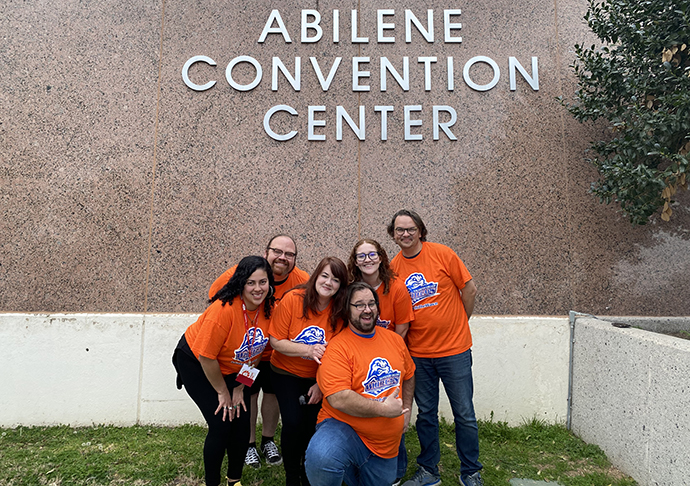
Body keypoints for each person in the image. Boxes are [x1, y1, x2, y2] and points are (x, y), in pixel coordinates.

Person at [387, 210, 483, 486]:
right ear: (393, 235)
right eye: (399, 230)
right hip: (418, 354)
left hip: (455, 351)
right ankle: (429, 471)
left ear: (421, 230)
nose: (405, 234)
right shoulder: (394, 268)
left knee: (464, 413)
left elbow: (470, 290)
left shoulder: (442, 254)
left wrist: (460, 322)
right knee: (426, 415)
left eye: (410, 228)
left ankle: (471, 471)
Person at [172, 256, 275, 486]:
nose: (258, 289)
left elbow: (257, 354)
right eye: (251, 283)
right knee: (221, 422)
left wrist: (240, 387)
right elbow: (206, 357)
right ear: (240, 283)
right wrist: (223, 392)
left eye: (263, 282)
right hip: (196, 362)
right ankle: (212, 483)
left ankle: (234, 481)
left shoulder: (269, 310)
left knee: (241, 421)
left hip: (232, 367)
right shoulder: (223, 310)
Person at [209, 235, 309, 469]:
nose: (282, 258)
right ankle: (249, 444)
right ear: (266, 252)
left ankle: (268, 440)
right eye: (277, 252)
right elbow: (215, 300)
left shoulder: (303, 280)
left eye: (289, 254)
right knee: (249, 395)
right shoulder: (242, 272)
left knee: (272, 394)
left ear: (294, 259)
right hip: (249, 356)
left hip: (278, 354)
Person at [305, 282, 415, 486]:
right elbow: (339, 398)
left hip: (386, 445)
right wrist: (383, 409)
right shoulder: (338, 347)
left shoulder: (395, 340)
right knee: (322, 456)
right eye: (359, 305)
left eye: (371, 303)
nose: (367, 310)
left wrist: (406, 409)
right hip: (345, 429)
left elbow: (409, 375)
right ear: (347, 310)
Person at [269, 256, 349, 486]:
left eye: (335, 279)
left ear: (341, 286)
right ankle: (292, 475)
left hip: (318, 376)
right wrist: (308, 348)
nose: (328, 283)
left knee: (312, 425)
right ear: (315, 276)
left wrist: (322, 386)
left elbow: (338, 354)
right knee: (293, 422)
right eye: (324, 276)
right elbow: (276, 341)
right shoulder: (293, 299)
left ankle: (307, 471)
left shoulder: (340, 310)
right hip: (286, 372)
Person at [347, 238, 415, 484]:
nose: (367, 260)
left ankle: (396, 472)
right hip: (359, 361)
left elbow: (403, 327)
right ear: (355, 261)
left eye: (371, 254)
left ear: (381, 257)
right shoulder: (349, 289)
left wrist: (386, 354)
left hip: (391, 358)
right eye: (361, 256)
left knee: (394, 412)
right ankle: (359, 463)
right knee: (363, 412)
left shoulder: (395, 287)